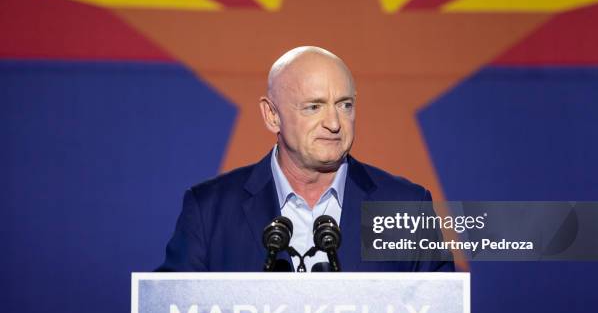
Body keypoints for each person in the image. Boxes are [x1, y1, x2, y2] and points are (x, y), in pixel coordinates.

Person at [158, 46, 454, 272]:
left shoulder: (406, 206)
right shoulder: (209, 210)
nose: (335, 123)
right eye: (314, 107)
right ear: (272, 115)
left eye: (345, 105)